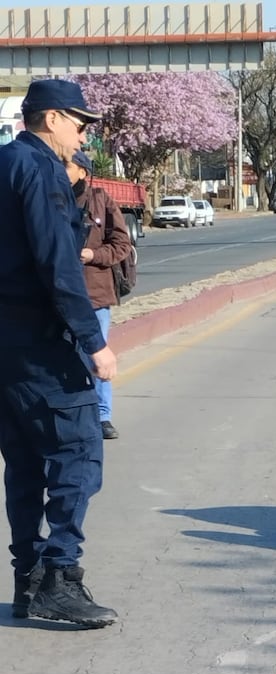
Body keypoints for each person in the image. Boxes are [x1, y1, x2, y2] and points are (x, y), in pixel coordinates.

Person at [0, 79, 117, 627]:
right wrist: (94, 343)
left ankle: (27, 580)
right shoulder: (40, 169)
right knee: (79, 450)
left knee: (24, 463)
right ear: (50, 119)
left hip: (6, 347)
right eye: (79, 122)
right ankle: (58, 576)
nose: (83, 133)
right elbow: (57, 262)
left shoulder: (5, 163)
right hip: (43, 343)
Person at [65, 149, 132, 440]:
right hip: (59, 295)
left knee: (97, 354)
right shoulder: (50, 200)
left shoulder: (100, 200)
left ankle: (102, 416)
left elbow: (121, 244)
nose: (59, 171)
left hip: (94, 295)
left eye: (65, 165)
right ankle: (71, 414)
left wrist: (93, 254)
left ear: (82, 171)